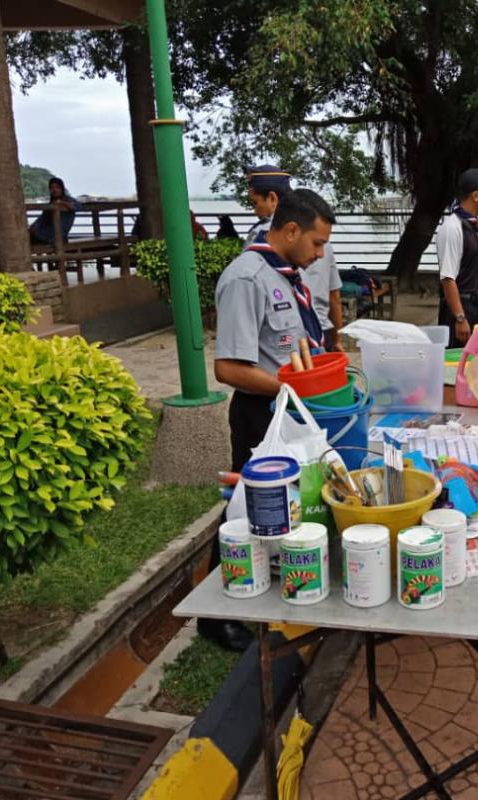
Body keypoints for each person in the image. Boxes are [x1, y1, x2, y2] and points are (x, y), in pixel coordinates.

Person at [208, 188, 332, 650]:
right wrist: (289, 388)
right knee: (246, 509)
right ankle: (217, 616)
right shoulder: (247, 278)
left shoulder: (285, 276)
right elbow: (228, 368)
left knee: (291, 506)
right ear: (292, 230)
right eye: (316, 244)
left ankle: (280, 584)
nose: (319, 256)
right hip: (262, 413)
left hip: (291, 408)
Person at [436, 168, 478, 344]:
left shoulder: (472, 226)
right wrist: (460, 318)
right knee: (459, 365)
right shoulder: (452, 227)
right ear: (475, 195)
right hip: (462, 310)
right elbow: (448, 278)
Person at [299, 211, 345, 351]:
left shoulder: (324, 247)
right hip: (295, 338)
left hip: (316, 332)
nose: (320, 254)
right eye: (316, 244)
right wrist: (337, 339)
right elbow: (334, 297)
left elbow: (334, 297)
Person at [244, 165, 292, 246]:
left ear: (272, 198)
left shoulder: (262, 235)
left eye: (255, 203)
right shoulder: (310, 226)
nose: (255, 212)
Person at [29, 177, 81, 245]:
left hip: (56, 237)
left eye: (57, 187)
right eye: (52, 187)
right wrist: (33, 227)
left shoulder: (69, 200)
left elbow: (77, 206)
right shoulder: (51, 203)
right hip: (45, 234)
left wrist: (62, 203)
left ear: (62, 189)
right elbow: (42, 219)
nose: (54, 190)